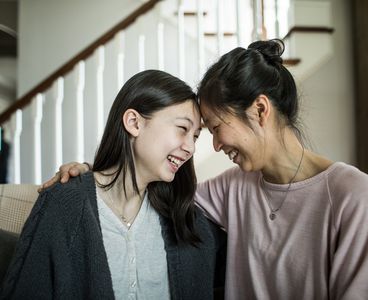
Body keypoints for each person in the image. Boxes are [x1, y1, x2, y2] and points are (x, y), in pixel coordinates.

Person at [40, 39, 368, 300]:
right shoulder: (232, 188)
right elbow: (143, 188)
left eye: (215, 128)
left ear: (260, 110)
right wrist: (93, 173)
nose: (214, 146)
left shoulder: (352, 193)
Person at [0, 70, 226, 300]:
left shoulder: (186, 216)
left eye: (195, 136)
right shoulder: (64, 203)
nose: (191, 147)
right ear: (133, 122)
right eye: (182, 129)